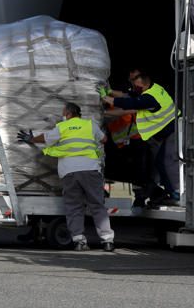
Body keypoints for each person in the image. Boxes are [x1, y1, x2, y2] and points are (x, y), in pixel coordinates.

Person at [17, 102, 115, 252]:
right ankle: (107, 241)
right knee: (97, 205)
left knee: (74, 207)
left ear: (68, 114)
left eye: (63, 113)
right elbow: (104, 140)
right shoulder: (90, 125)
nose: (62, 115)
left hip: (69, 172)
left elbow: (46, 137)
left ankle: (79, 242)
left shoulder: (62, 127)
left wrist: (31, 139)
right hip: (90, 169)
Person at [103, 74, 180, 206]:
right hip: (128, 144)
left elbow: (127, 106)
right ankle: (146, 196)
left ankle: (163, 194)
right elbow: (125, 96)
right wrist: (108, 94)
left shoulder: (145, 99)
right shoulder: (145, 92)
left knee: (148, 170)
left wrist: (106, 100)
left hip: (139, 141)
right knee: (139, 173)